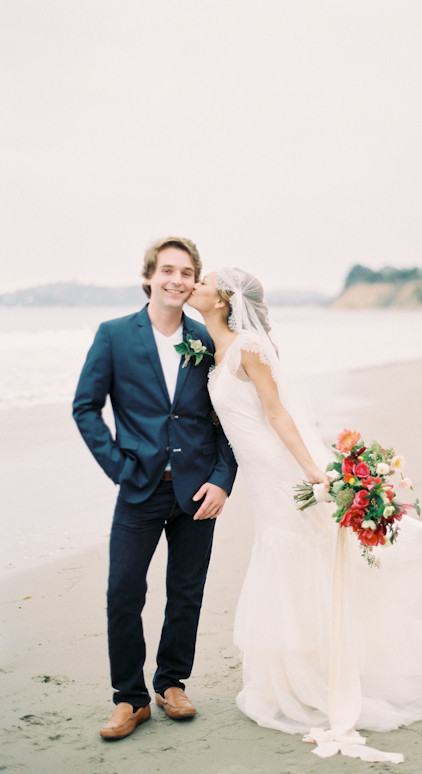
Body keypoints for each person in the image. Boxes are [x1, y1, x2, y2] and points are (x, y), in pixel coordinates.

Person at [187, 267, 422, 763]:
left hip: (280, 473)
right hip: (259, 478)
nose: (196, 286)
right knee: (291, 565)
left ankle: (323, 673)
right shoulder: (214, 348)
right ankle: (291, 677)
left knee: (307, 560)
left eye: (204, 281)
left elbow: (278, 414)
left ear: (225, 298)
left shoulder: (248, 347)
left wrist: (315, 473)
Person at [72, 238, 237, 740]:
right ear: (149, 276)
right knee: (123, 592)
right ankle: (130, 698)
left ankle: (171, 684)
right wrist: (118, 467)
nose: (177, 280)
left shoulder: (206, 339)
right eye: (167, 270)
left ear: (195, 281)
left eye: (187, 273)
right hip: (139, 487)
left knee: (186, 592)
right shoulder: (115, 335)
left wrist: (222, 480)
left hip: (197, 492)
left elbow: (230, 413)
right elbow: (86, 407)